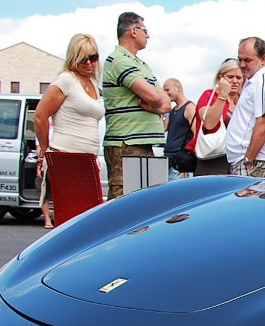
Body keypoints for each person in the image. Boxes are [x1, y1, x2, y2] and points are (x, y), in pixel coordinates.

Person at [33, 33, 106, 228]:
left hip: (88, 158)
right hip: (67, 157)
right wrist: (45, 149)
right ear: (73, 58)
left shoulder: (92, 84)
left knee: (90, 220)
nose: (89, 63)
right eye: (83, 59)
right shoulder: (66, 80)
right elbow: (40, 116)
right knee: (73, 221)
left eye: (93, 57)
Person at [102, 12, 171, 199]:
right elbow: (155, 97)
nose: (148, 35)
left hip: (140, 144)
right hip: (126, 144)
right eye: (145, 30)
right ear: (133, 31)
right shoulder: (119, 60)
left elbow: (166, 104)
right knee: (122, 206)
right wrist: (155, 103)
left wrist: (155, 104)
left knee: (146, 206)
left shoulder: (140, 64)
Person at [225, 37, 265, 177]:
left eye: (247, 60)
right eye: (239, 59)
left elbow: (264, 123)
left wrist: (248, 160)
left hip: (257, 162)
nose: (242, 64)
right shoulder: (255, 81)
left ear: (263, 59)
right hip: (250, 161)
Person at [187, 59, 243, 176]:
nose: (234, 81)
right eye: (230, 77)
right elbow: (209, 123)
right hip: (213, 160)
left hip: (238, 161)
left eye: (239, 78)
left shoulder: (244, 101)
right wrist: (223, 95)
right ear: (220, 78)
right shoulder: (209, 95)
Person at [162, 78, 196, 180]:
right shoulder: (173, 110)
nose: (165, 93)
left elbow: (196, 135)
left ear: (178, 88)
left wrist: (187, 165)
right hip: (169, 160)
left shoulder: (189, 108)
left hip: (181, 164)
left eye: (167, 90)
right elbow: (162, 129)